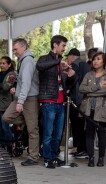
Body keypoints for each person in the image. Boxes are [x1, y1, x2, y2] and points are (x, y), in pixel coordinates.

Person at [36, 35, 75, 169]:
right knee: (48, 133)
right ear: (55, 45)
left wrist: (71, 75)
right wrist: (58, 62)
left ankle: (54, 157)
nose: (64, 48)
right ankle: (47, 159)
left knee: (58, 134)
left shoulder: (61, 63)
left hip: (60, 102)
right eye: (63, 45)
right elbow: (40, 66)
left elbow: (65, 84)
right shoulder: (45, 59)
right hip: (49, 102)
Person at [3, 38, 41, 166]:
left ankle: (33, 157)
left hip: (28, 99)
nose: (14, 52)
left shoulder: (28, 61)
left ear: (24, 47)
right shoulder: (23, 61)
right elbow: (22, 82)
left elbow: (27, 83)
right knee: (7, 116)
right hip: (22, 97)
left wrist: (20, 100)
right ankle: (28, 121)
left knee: (32, 130)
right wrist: (16, 89)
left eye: (16, 49)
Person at [78, 52, 106, 167]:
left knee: (102, 134)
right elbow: (81, 88)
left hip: (102, 107)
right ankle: (91, 157)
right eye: (94, 59)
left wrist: (90, 92)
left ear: (103, 61)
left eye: (98, 59)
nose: (95, 61)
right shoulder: (89, 74)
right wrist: (98, 87)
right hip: (89, 108)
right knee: (89, 133)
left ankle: (101, 158)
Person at [66, 48, 89, 159]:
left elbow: (71, 81)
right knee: (82, 126)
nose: (67, 59)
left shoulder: (75, 64)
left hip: (76, 100)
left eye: (68, 56)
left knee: (77, 126)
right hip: (84, 100)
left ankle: (80, 149)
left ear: (73, 56)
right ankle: (83, 149)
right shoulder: (85, 65)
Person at [0, 56, 17, 151]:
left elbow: (6, 87)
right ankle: (2, 147)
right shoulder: (0, 74)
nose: (1, 65)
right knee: (0, 129)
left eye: (4, 63)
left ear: (9, 64)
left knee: (6, 128)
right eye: (0, 63)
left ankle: (9, 148)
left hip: (6, 105)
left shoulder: (11, 74)